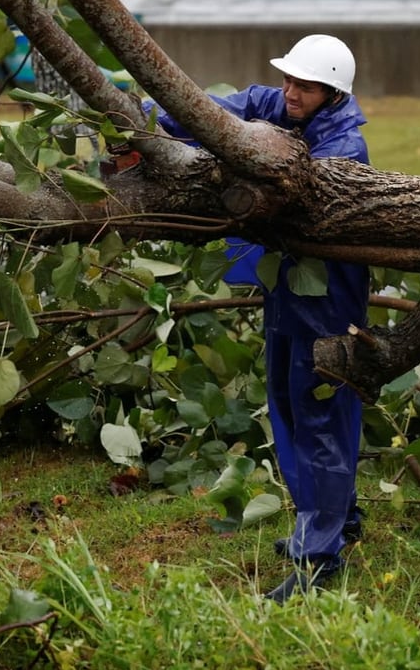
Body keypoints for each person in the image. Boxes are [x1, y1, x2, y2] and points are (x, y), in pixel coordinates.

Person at [152, 35, 370, 600]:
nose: (288, 91)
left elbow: (273, 194)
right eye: (289, 81)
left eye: (302, 85)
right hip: (286, 294)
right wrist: (148, 110)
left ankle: (318, 558)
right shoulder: (288, 108)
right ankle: (326, 520)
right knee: (286, 404)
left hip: (327, 305)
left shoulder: (343, 152)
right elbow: (231, 109)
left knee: (321, 415)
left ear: (331, 92)